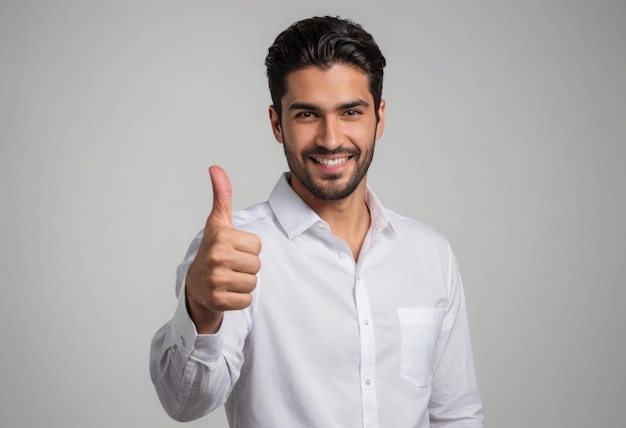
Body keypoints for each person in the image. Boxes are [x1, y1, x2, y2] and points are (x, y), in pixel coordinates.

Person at [150, 16, 484, 428]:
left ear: (379, 118)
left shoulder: (431, 255)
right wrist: (200, 308)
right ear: (277, 124)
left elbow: (455, 415)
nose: (330, 138)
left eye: (350, 112)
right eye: (308, 114)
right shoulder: (235, 251)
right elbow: (184, 403)